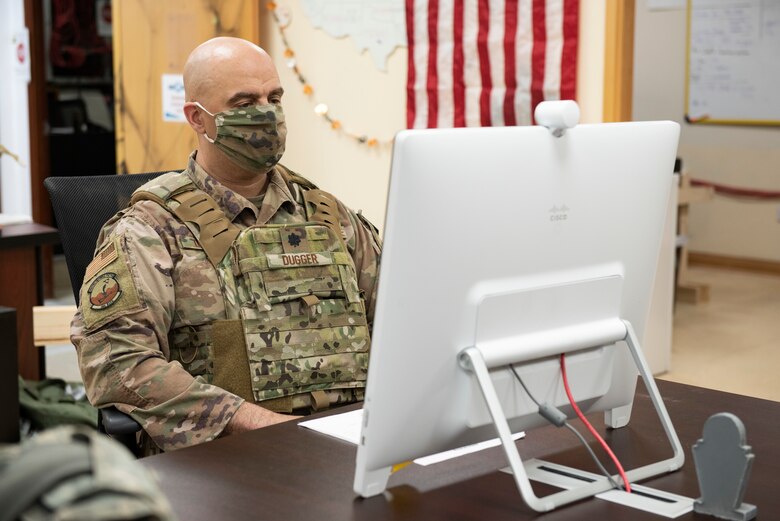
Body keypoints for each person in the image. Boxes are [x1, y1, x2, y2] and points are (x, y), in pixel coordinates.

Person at [71, 37, 382, 454]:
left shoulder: (330, 217)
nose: (266, 114)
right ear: (198, 118)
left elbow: (401, 326)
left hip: (345, 445)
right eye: (243, 102)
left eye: (274, 97)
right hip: (227, 457)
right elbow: (118, 364)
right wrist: (256, 423)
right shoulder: (149, 231)